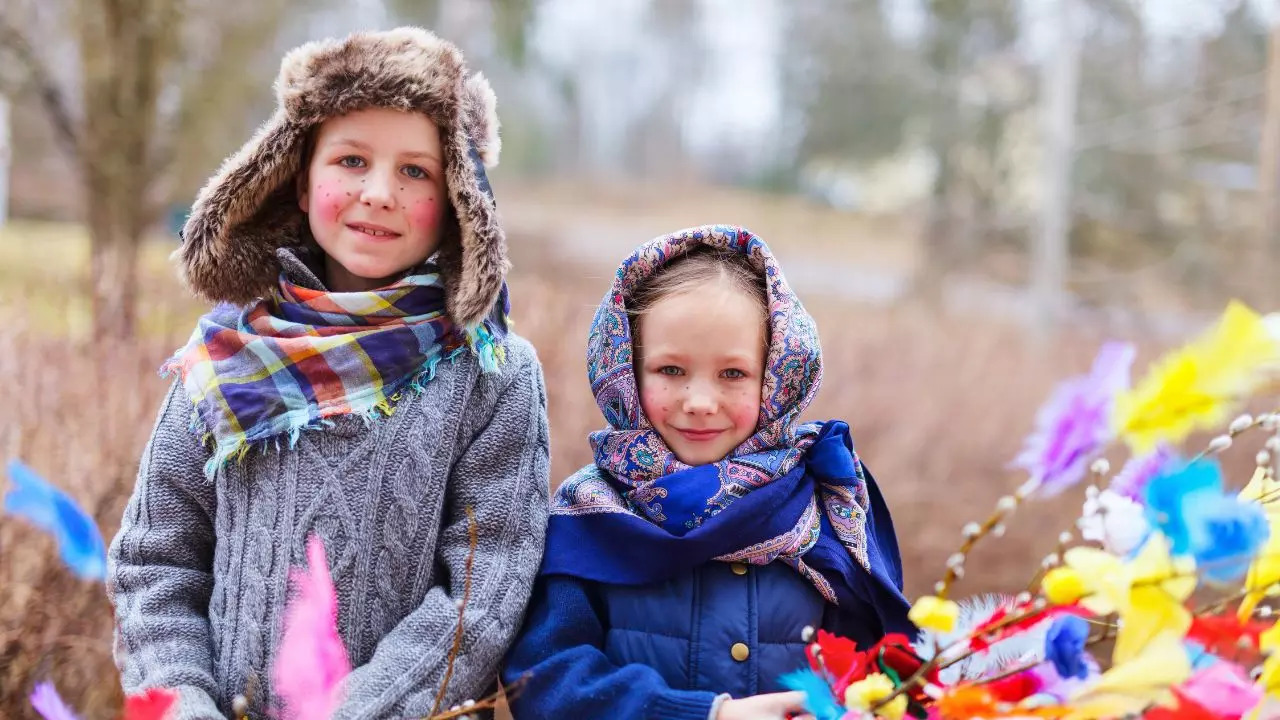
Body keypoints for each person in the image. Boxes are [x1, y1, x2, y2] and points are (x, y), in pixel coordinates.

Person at [107, 27, 550, 720]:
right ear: (297, 174)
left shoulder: (491, 376)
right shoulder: (227, 358)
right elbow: (155, 564)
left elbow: (483, 593)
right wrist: (182, 705)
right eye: (351, 160)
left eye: (415, 172)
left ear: (461, 193)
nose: (378, 192)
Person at [503, 225, 915, 720]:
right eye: (670, 371)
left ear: (777, 379)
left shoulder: (825, 510)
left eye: (733, 374)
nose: (700, 403)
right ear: (627, 371)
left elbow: (877, 675)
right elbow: (546, 681)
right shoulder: (589, 518)